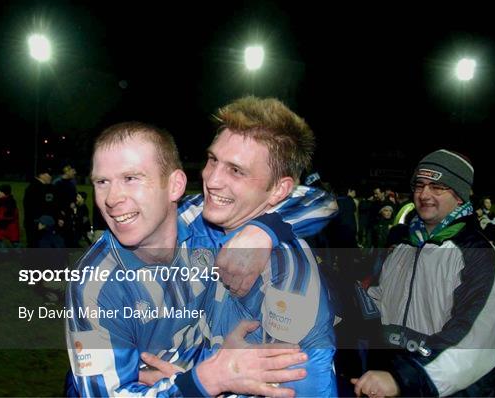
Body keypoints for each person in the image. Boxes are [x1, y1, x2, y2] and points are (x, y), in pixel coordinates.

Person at [66, 120, 336, 397]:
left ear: (175, 186)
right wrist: (204, 380)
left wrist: (264, 231)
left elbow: (320, 201)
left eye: (131, 178)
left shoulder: (205, 221)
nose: (112, 199)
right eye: (101, 182)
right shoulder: (94, 286)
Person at [175, 96, 337, 396]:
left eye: (236, 170)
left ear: (279, 190)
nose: (212, 179)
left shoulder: (288, 275)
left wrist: (194, 386)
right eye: (212, 159)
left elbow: (297, 388)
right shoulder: (200, 218)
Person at [351, 149, 495, 397]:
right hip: (403, 381)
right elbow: (380, 303)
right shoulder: (404, 247)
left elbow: (476, 339)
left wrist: (403, 378)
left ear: (460, 196)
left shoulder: (478, 254)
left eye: (437, 187)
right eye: (419, 185)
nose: (424, 194)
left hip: (454, 388)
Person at [23, 167, 57, 247]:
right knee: (35, 244)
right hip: (37, 222)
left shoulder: (46, 187)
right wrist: (37, 223)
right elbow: (30, 208)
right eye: (48, 174)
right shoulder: (33, 188)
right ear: (41, 175)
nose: (50, 177)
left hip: (44, 222)